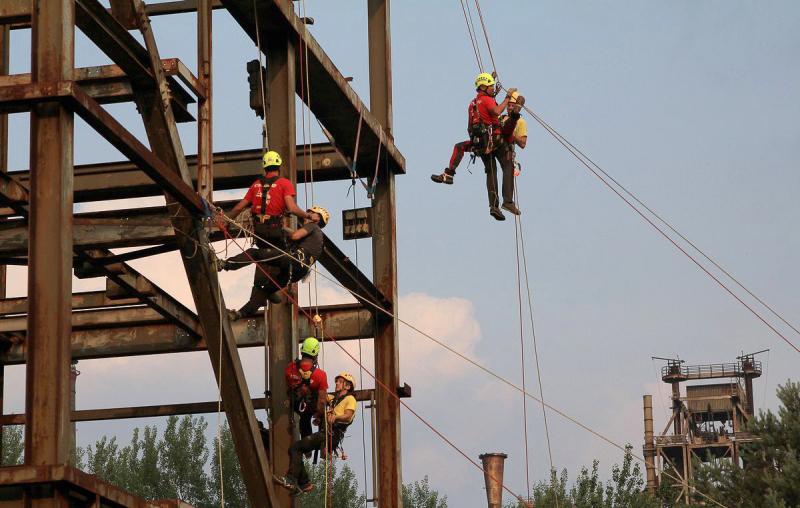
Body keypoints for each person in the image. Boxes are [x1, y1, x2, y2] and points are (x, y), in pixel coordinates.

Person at [431, 73, 520, 221]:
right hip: (494, 141)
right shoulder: (486, 100)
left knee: (490, 170)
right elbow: (497, 111)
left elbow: (487, 107)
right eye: (490, 86)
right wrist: (507, 97)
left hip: (479, 143)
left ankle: (493, 206)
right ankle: (507, 201)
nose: (493, 88)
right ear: (484, 87)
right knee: (507, 165)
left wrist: (492, 85)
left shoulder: (474, 102)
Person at [218, 206, 330, 318]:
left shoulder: (313, 226)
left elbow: (295, 235)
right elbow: (295, 234)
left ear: (317, 219)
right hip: (298, 272)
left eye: (311, 212)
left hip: (293, 260)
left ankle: (225, 265)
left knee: (253, 253)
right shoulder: (317, 239)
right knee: (266, 290)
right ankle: (239, 314)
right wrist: (283, 227)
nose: (307, 213)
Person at [275, 372, 358, 495]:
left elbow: (348, 416)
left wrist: (336, 417)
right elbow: (321, 396)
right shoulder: (334, 399)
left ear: (348, 386)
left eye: (340, 381)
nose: (337, 383)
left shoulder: (350, 399)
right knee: (296, 449)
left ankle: (294, 480)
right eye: (337, 381)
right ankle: (304, 483)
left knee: (296, 448)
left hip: (331, 435)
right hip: (326, 434)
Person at [224, 150, 309, 248]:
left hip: (259, 233)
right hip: (275, 231)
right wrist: (308, 216)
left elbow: (239, 208)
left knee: (264, 254)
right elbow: (292, 208)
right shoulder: (284, 183)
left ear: (264, 167)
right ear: (279, 165)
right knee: (290, 250)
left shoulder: (255, 184)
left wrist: (226, 221)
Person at [284, 337, 329, 440]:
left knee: (304, 417)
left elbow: (288, 387)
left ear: (302, 351)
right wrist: (319, 415)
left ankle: (306, 445)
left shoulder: (290, 367)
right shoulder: (320, 375)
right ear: (315, 355)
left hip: (295, 404)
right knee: (326, 405)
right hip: (310, 406)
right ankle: (323, 445)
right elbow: (321, 401)